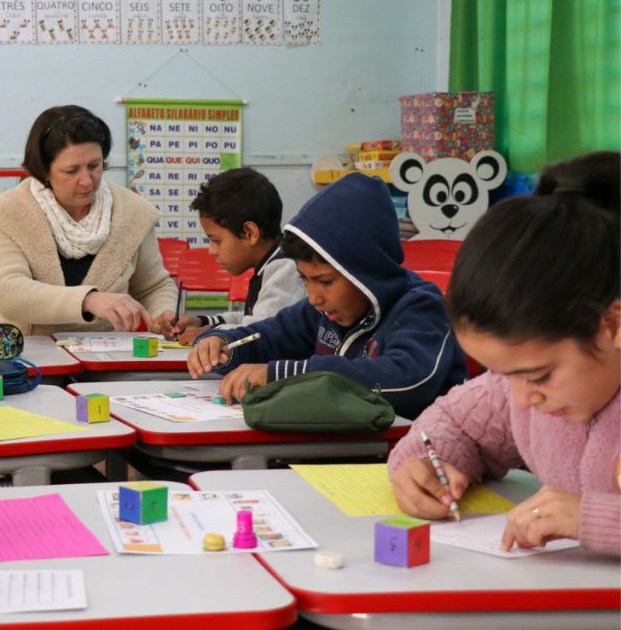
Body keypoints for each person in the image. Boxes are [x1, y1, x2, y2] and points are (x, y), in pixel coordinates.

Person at [389, 152, 620, 555]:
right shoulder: (520, 388)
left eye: (539, 375)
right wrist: (424, 467)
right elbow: (453, 424)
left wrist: (590, 518)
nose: (521, 399)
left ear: (613, 326)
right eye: (501, 373)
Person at [188, 172, 466, 418]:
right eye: (305, 280)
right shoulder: (321, 311)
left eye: (324, 281)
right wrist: (225, 344)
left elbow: (409, 380)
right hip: (347, 450)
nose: (313, 297)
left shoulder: (419, 307)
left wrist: (283, 375)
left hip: (413, 458)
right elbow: (270, 335)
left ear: (366, 270)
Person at [0, 105, 177, 336]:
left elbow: (154, 286)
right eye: (71, 171)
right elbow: (8, 292)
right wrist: (89, 300)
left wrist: (164, 314)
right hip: (28, 356)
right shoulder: (7, 212)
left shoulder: (134, 212)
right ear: (44, 172)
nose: (87, 181)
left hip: (107, 358)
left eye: (94, 166)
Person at [162, 168, 303, 344]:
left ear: (250, 233)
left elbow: (257, 332)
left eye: (216, 240)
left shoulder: (286, 268)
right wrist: (201, 322)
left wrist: (208, 334)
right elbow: (250, 318)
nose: (211, 250)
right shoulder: (271, 263)